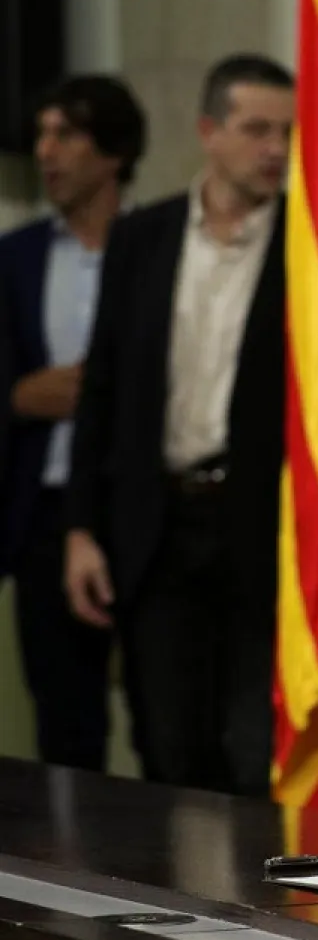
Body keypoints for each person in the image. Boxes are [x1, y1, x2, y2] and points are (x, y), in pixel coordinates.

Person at [64, 54, 293, 797]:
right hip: (155, 523)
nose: (275, 149)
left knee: (255, 743)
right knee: (167, 741)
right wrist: (80, 529)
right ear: (208, 132)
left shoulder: (308, 246)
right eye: (256, 129)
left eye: (287, 132)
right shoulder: (145, 237)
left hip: (262, 525)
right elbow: (101, 390)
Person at [0, 75, 146, 771]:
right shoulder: (17, 257)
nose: (46, 152)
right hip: (42, 514)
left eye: (66, 134)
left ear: (113, 151)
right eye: (40, 136)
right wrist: (20, 396)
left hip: (145, 506)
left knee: (164, 712)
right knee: (64, 716)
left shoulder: (157, 244)